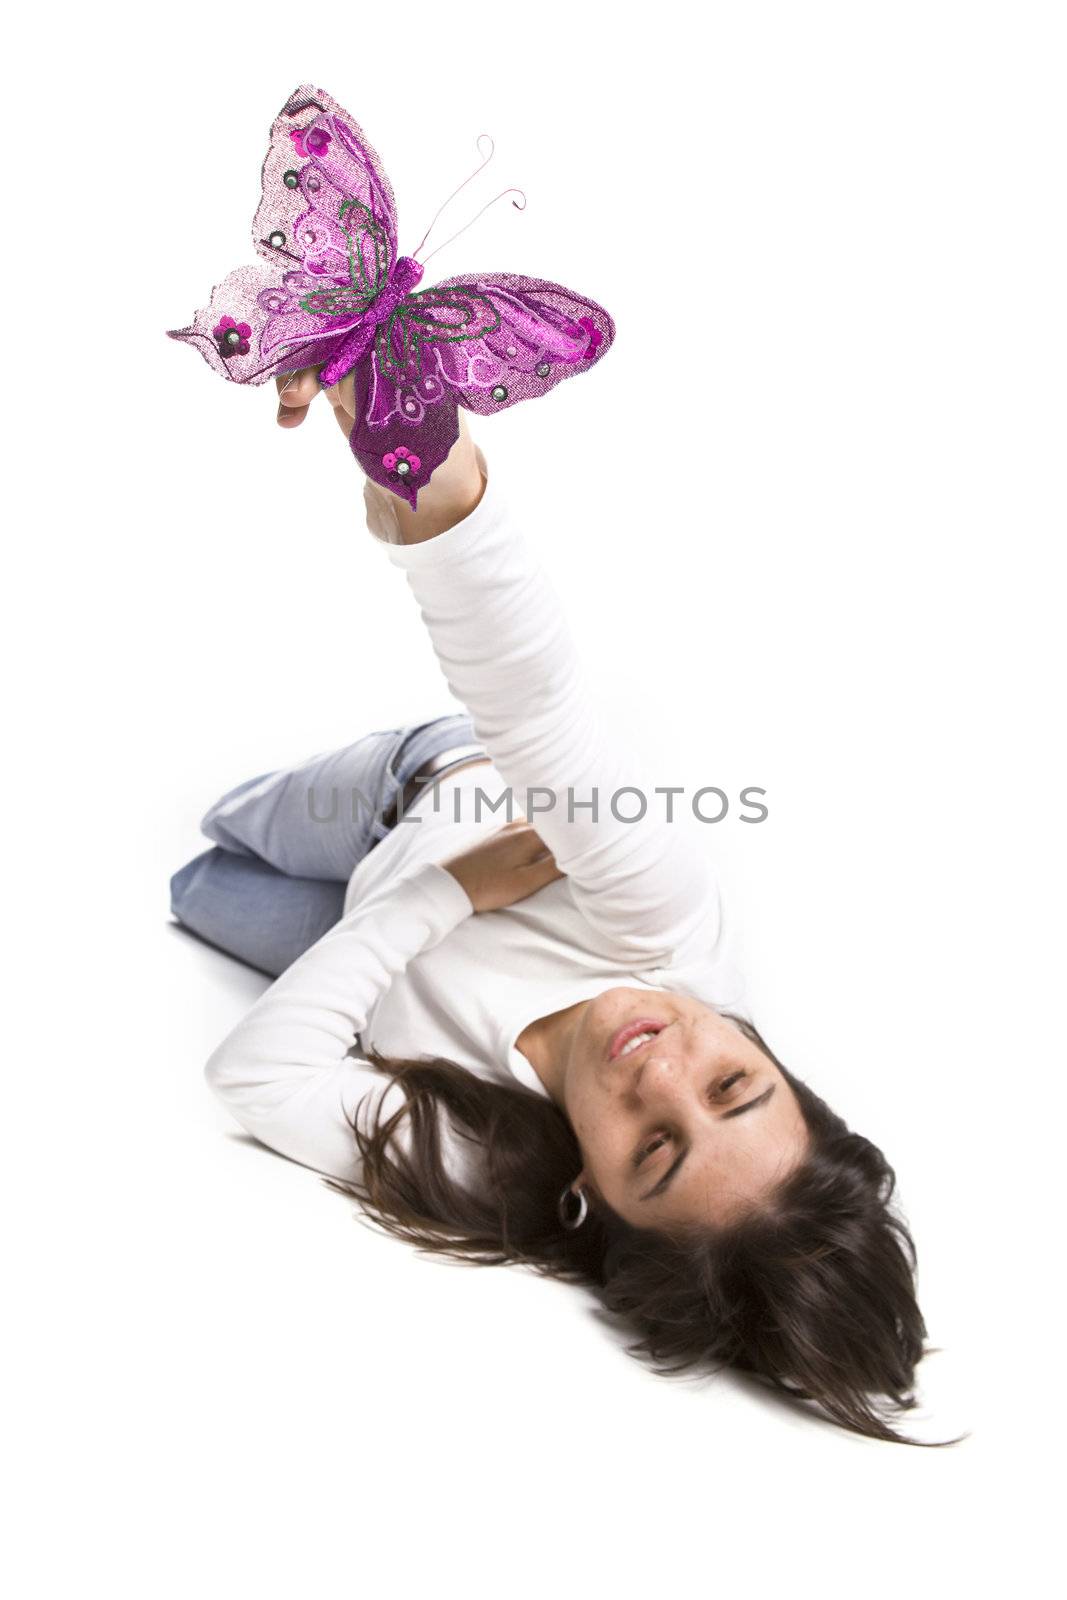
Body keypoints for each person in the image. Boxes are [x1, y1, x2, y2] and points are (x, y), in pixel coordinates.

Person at [171, 367, 957, 1447]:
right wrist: (439, 496)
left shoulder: (502, 1163)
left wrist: (443, 896)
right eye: (731, 1082)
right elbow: (540, 716)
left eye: (655, 1150)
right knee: (222, 823)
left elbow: (253, 1073)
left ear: (594, 1194)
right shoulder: (669, 924)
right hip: (417, 789)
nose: (658, 1069)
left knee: (190, 892)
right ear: (771, 1061)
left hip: (370, 934)